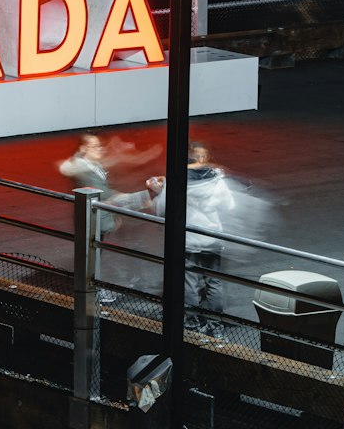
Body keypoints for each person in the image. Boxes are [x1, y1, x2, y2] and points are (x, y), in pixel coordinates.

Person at [147, 141, 236, 341]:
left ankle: (192, 322)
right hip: (212, 237)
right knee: (214, 283)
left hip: (187, 239)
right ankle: (216, 325)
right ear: (205, 158)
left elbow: (162, 208)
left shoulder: (176, 178)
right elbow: (229, 205)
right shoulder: (216, 179)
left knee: (189, 282)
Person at [60, 132, 154, 303]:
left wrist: (112, 214)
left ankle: (88, 289)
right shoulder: (84, 170)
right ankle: (88, 292)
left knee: (93, 254)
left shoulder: (89, 164)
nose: (99, 149)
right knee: (90, 256)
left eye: (100, 145)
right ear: (83, 149)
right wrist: (139, 199)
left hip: (98, 216)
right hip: (91, 219)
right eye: (94, 146)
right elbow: (103, 194)